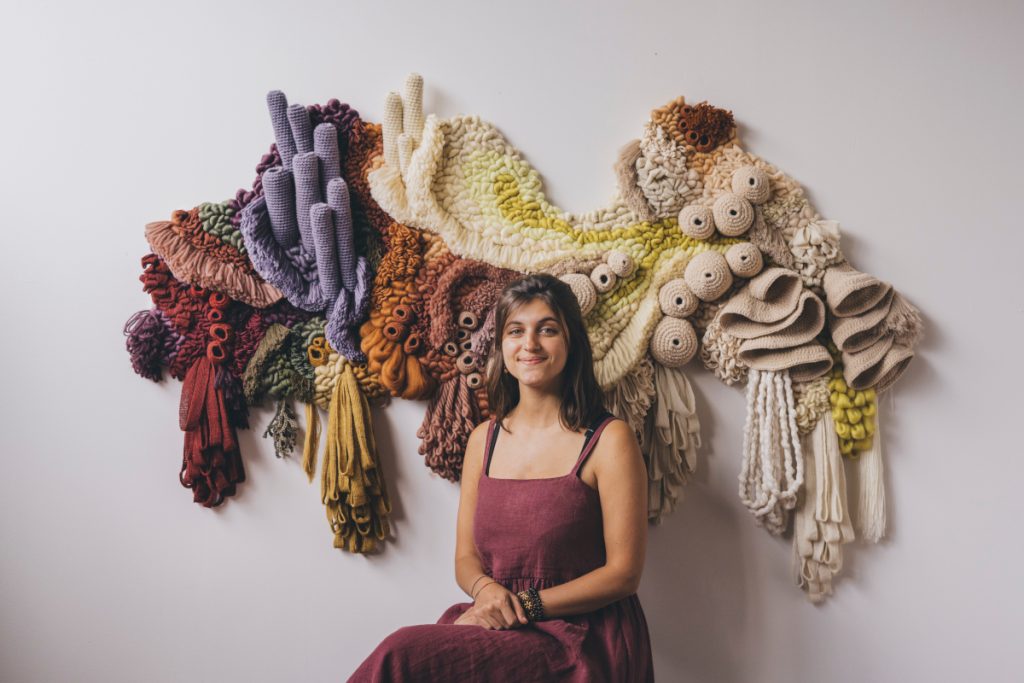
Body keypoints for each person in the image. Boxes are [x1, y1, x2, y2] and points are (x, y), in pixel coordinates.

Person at [349, 273, 654, 681]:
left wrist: (525, 606)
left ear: (571, 343)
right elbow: (466, 559)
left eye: (547, 330)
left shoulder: (608, 439)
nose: (529, 344)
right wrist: (486, 592)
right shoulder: (483, 440)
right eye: (516, 331)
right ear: (501, 347)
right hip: (499, 620)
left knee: (401, 653)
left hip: (579, 636)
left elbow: (624, 574)